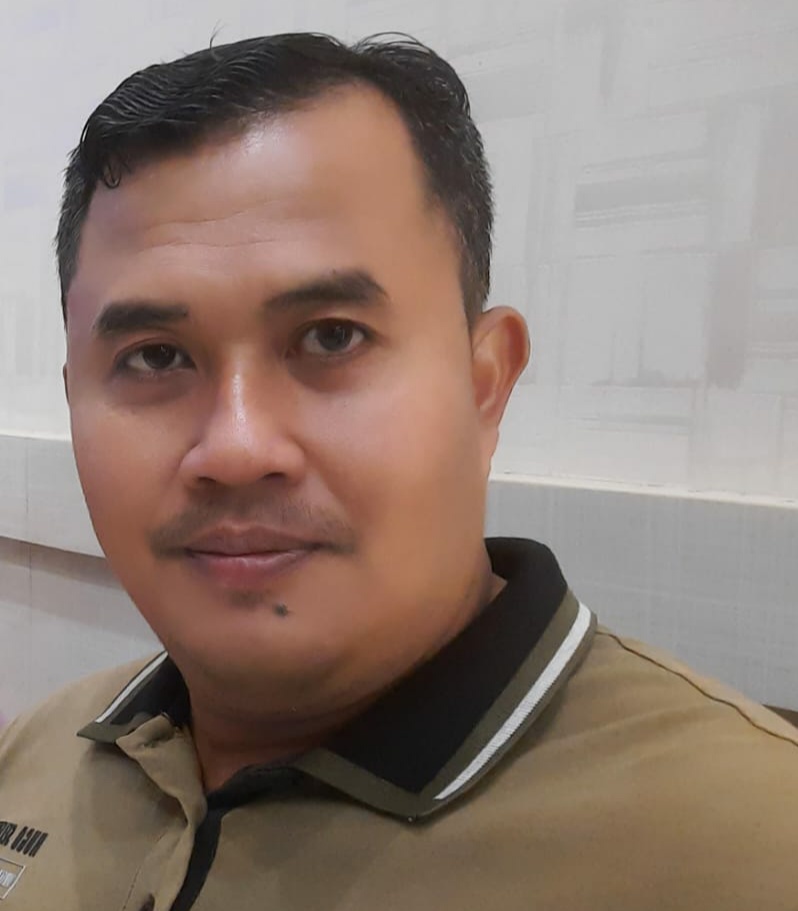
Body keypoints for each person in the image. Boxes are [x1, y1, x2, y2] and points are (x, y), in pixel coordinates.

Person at [0, 33, 796, 911]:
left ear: (484, 385)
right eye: (155, 357)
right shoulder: (35, 754)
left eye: (331, 337)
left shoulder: (751, 846)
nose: (236, 447)